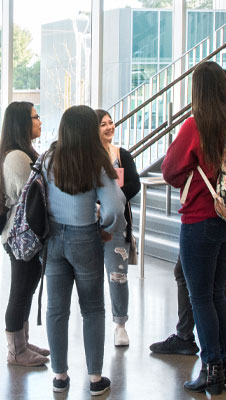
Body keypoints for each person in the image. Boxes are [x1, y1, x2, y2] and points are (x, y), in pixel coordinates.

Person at [162, 61, 226, 395]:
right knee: (217, 293)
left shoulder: (196, 125)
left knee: (201, 297)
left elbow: (170, 170)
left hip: (201, 218)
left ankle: (211, 367)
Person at [43, 105, 125, 396]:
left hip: (52, 238)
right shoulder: (97, 161)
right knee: (91, 308)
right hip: (84, 238)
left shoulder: (49, 158)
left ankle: (60, 376)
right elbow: (115, 206)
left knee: (56, 308)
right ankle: (94, 379)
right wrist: (106, 226)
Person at [0, 101, 50, 367]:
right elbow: (31, 198)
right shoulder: (17, 157)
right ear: (22, 123)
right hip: (20, 236)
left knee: (26, 288)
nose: (39, 122)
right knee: (20, 291)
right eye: (36, 117)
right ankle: (15, 351)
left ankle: (22, 342)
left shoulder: (22, 153)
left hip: (23, 235)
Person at [95, 109, 140, 347]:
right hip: (90, 224)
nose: (109, 127)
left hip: (117, 225)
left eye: (111, 123)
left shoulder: (121, 154)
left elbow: (134, 184)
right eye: (103, 124)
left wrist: (112, 199)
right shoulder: (86, 157)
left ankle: (120, 324)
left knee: (118, 275)